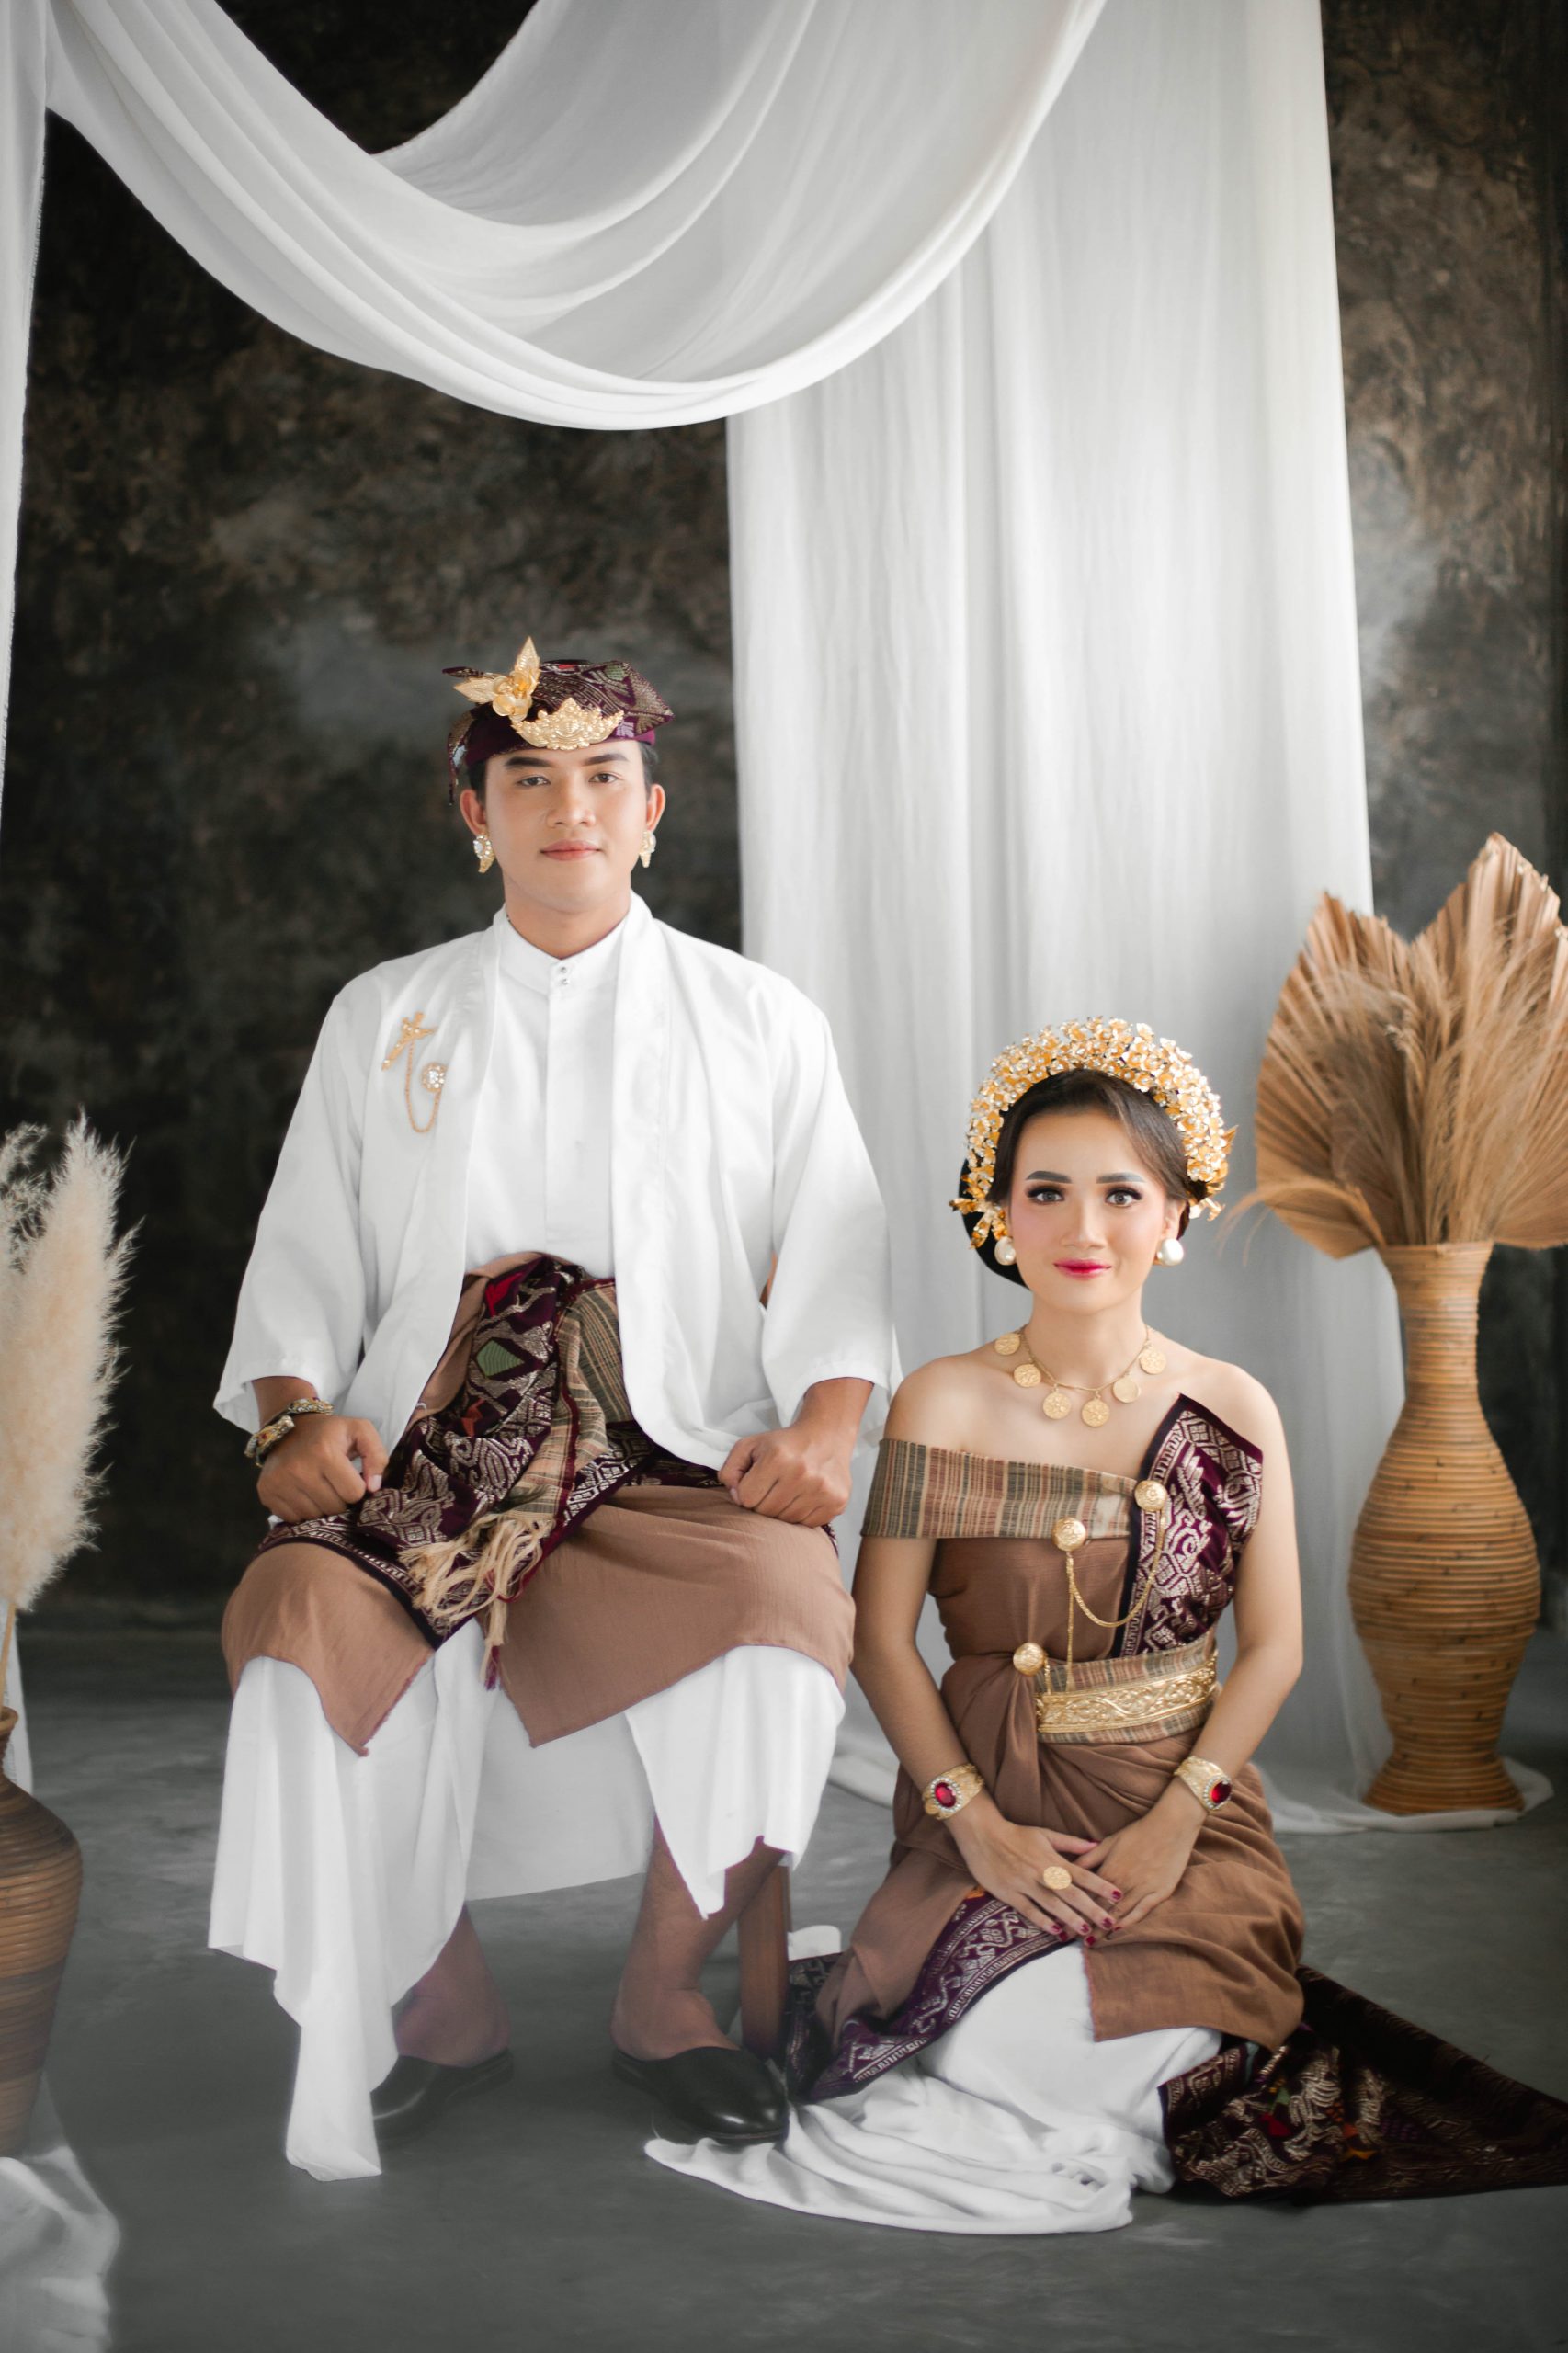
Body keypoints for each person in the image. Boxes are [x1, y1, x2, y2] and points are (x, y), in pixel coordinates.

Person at [653, 1019, 1568, 2229]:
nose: (1082, 1228)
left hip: (1180, 1806)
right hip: (990, 1798)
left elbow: (1277, 1648)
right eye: (1045, 1192)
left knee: (1143, 2044)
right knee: (1013, 2042)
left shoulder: (1231, 1405)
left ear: (1177, 1215)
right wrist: (977, 1829)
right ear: (997, 1213)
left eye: (1120, 1194)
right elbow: (880, 1638)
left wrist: (1175, 1823)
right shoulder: (941, 1400)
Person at [208, 639, 896, 2180]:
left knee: (786, 1619)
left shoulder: (757, 1016)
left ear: (652, 811)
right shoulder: (387, 1013)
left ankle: (663, 1996)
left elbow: (838, 1248)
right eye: (528, 777)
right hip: (440, 1431)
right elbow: (305, 1245)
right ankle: (440, 2002)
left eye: (603, 777)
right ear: (477, 813)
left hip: (672, 1429)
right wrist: (294, 1411)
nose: (568, 807)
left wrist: (823, 1424)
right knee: (296, 1626)